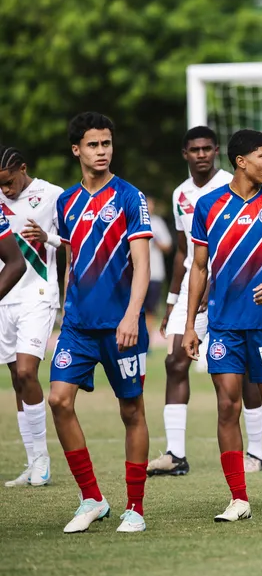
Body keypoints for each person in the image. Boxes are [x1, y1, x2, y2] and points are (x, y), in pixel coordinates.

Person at [183, 129, 262, 522]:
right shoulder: (208, 205)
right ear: (241, 161)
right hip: (223, 325)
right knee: (227, 406)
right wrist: (191, 325)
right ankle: (239, 498)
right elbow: (199, 267)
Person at [49, 111, 153, 533]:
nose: (102, 152)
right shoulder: (66, 202)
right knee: (58, 400)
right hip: (77, 325)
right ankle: (92, 498)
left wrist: (131, 315)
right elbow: (73, 260)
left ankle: (135, 508)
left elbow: (143, 266)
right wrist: (63, 308)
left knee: (131, 410)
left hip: (121, 326)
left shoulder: (130, 197)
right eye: (93, 145)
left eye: (106, 144)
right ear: (77, 150)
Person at [149, 127, 262, 479]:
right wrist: (174, 299)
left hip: (233, 283)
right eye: (193, 149)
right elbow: (184, 251)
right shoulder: (181, 194)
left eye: (206, 148)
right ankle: (175, 453)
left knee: (243, 369)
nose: (201, 154)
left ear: (216, 151)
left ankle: (256, 452)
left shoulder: (236, 184)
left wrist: (214, 284)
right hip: (192, 284)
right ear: (185, 153)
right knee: (175, 362)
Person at [0, 148, 64, 488]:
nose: (6, 191)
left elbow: (75, 238)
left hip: (38, 294)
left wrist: (47, 237)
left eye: (9, 183)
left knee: (28, 371)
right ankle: (31, 460)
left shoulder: (53, 195)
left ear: (22, 169)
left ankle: (42, 461)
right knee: (17, 379)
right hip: (5, 299)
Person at [145, 197, 173, 319]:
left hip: (155, 273)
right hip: (135, 273)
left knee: (151, 309)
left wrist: (157, 243)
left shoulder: (158, 223)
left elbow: (168, 246)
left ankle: (148, 337)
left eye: (151, 205)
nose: (149, 208)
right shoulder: (133, 221)